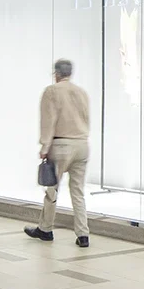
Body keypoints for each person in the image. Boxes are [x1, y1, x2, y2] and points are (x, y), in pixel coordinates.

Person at [25, 59, 92, 248]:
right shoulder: (82, 93)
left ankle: (45, 229)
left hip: (62, 144)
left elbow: (49, 120)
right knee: (78, 192)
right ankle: (83, 234)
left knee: (52, 189)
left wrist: (45, 147)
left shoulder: (51, 91)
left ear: (56, 73)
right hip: (82, 144)